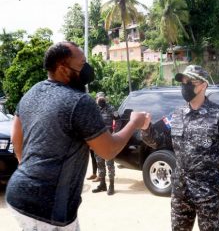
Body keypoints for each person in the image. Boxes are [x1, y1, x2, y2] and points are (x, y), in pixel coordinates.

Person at [5, 41, 147, 230]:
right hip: (49, 206)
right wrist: (134, 123)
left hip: (18, 194)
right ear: (63, 69)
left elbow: (17, 135)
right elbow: (108, 151)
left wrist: (26, 166)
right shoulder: (80, 101)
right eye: (82, 65)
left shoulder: (32, 92)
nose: (87, 69)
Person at [140, 65, 219, 231]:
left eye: (190, 82)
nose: (185, 85)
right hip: (181, 193)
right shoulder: (177, 115)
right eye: (183, 82)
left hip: (207, 193)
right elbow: (158, 141)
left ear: (203, 85)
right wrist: (146, 129)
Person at [92, 92, 116, 195]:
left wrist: (115, 133)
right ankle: (102, 184)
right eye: (99, 98)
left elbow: (118, 120)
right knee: (99, 162)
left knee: (110, 163)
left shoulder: (110, 108)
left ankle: (111, 185)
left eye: (102, 97)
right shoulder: (94, 109)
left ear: (105, 98)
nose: (101, 99)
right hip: (97, 140)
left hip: (108, 140)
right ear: (96, 99)